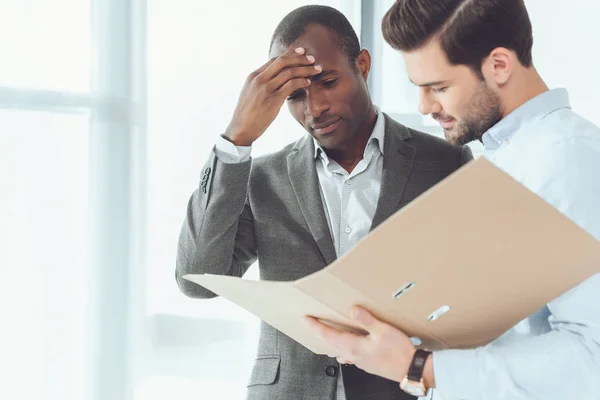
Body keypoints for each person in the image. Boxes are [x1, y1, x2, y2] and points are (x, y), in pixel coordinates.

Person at [305, 1, 600, 399]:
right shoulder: (506, 158)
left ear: (498, 65)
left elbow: (593, 358)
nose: (425, 107)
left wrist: (417, 366)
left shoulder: (566, 159)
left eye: (439, 87)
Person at [175, 5, 472, 400]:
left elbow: (469, 293)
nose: (314, 108)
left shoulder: (444, 162)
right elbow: (196, 278)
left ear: (362, 65)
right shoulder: (261, 178)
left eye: (328, 82)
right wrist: (236, 140)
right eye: (295, 96)